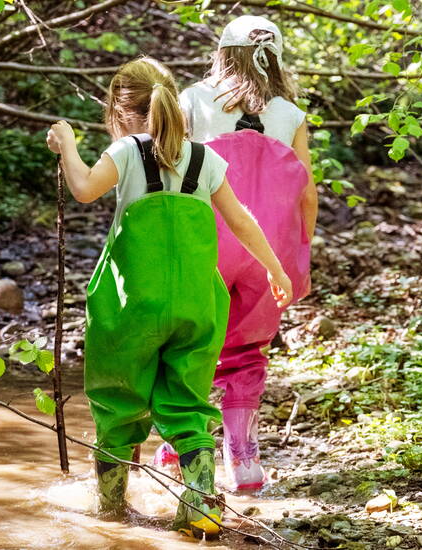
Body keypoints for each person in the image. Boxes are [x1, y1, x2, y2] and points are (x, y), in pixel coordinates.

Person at [45, 57, 292, 539]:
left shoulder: (125, 151)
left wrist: (68, 147)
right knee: (186, 404)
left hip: (132, 304)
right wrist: (275, 268)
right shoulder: (206, 159)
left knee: (119, 400)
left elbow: (82, 189)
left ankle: (111, 511)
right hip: (198, 303)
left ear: (121, 113)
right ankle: (199, 506)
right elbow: (242, 221)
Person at [154, 15, 317, 492]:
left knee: (191, 339)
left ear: (223, 53)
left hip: (207, 240)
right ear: (277, 58)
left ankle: (178, 446)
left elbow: (170, 166)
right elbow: (307, 192)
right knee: (247, 348)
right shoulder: (290, 114)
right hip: (270, 248)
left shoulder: (193, 100)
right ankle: (243, 463)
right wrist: (299, 252)